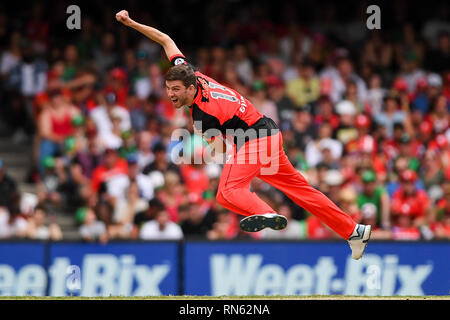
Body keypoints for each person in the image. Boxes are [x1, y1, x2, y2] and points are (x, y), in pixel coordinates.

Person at [116, 10, 371, 259]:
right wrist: (131, 23)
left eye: (175, 90)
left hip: (255, 141)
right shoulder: (188, 70)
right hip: (269, 134)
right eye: (168, 88)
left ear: (190, 87)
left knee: (227, 192)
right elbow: (165, 40)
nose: (170, 94)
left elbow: (221, 151)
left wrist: (209, 148)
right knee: (300, 192)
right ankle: (354, 231)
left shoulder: (203, 117)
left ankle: (266, 212)